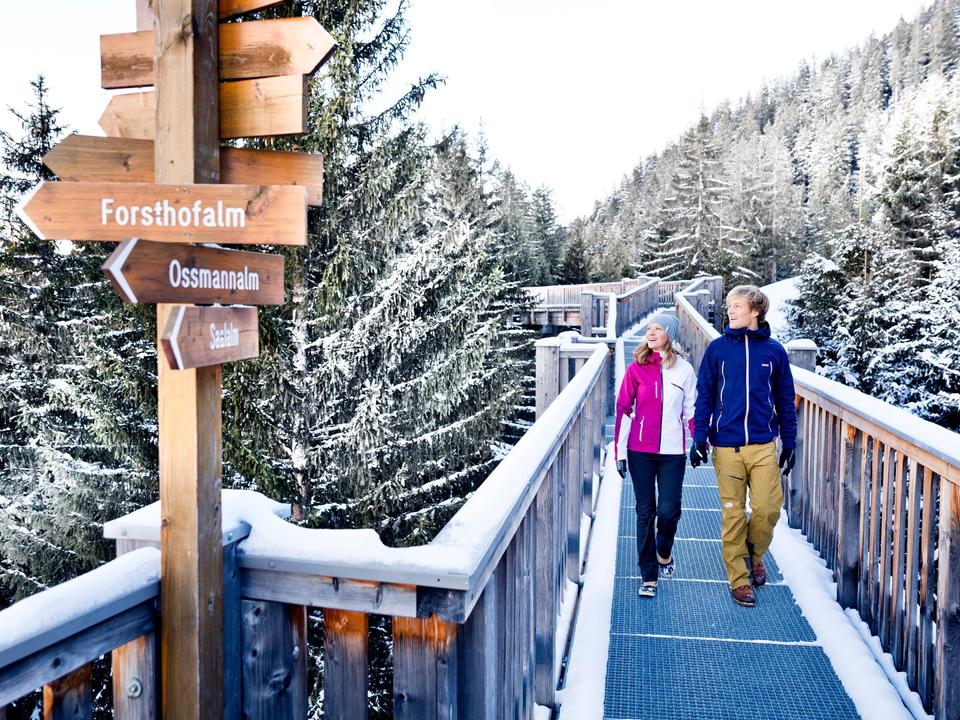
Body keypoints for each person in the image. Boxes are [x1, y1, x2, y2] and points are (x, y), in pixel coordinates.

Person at [689, 285, 798, 608]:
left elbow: (785, 400)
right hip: (727, 446)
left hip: (764, 444)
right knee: (733, 513)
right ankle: (738, 578)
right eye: (729, 306)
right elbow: (705, 394)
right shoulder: (718, 349)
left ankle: (754, 554)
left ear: (756, 311)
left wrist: (789, 441)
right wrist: (699, 437)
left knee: (767, 508)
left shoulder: (774, 352)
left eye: (737, 306)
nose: (730, 311)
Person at [615, 313, 697, 598]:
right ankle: (649, 575)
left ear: (669, 335)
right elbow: (624, 409)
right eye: (649, 329)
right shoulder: (636, 369)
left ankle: (664, 551)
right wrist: (619, 451)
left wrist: (699, 441)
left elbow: (691, 410)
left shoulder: (685, 370)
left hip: (673, 452)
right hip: (640, 451)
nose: (651, 333)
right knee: (645, 512)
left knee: (669, 511)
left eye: (658, 329)